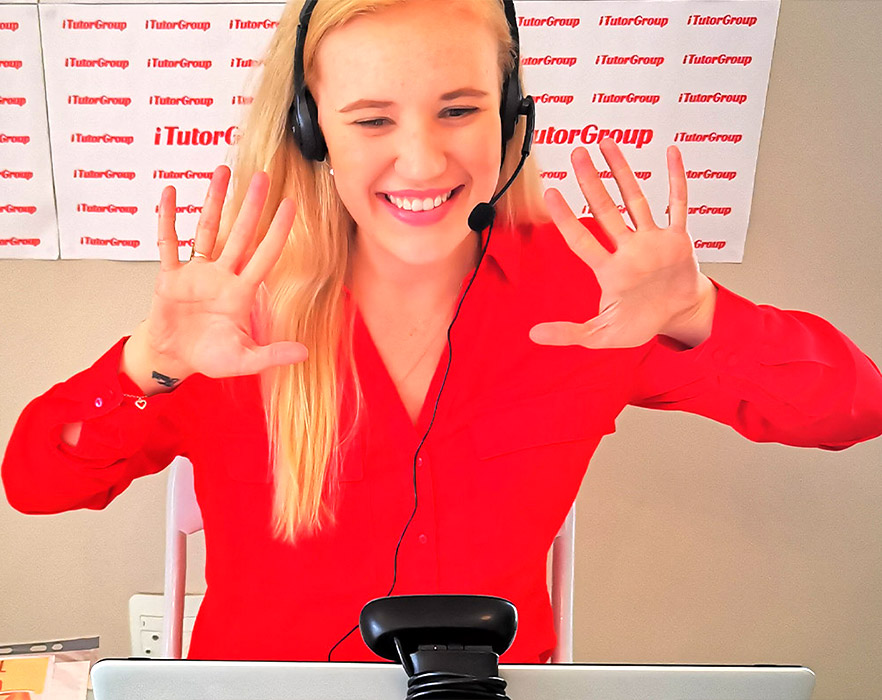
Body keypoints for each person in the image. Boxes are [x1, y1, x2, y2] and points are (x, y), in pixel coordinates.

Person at [3, 0, 882, 664]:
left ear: (511, 120)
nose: (422, 162)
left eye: (459, 110)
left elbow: (851, 408)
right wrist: (147, 363)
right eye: (373, 119)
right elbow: (36, 484)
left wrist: (702, 316)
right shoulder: (233, 307)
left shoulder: (594, 295)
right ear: (313, 133)